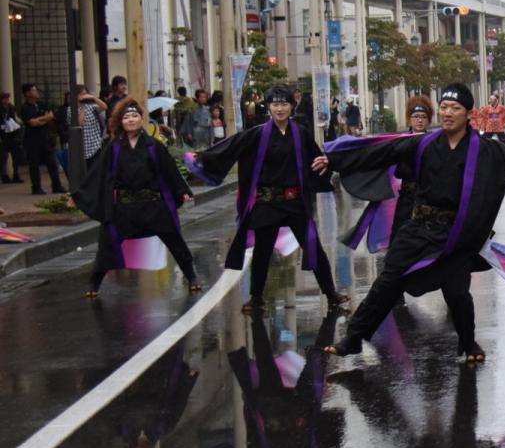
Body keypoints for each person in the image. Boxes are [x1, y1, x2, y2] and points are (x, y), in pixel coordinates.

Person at [316, 83, 505, 363]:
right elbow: (381, 151)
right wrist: (334, 160)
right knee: (387, 282)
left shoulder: (487, 150)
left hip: (457, 234)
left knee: (457, 292)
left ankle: (468, 343)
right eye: (444, 107)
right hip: (418, 228)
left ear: (468, 114)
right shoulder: (424, 143)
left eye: (455, 108)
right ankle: (353, 338)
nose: (447, 113)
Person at [187, 84, 348, 314]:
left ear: (292, 106)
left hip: (294, 202)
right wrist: (204, 157)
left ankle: (332, 295)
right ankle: (256, 298)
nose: (280, 109)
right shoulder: (257, 134)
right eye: (275, 104)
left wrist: (329, 162)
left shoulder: (301, 133)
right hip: (267, 202)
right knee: (262, 252)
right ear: (269, 107)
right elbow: (231, 147)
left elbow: (317, 159)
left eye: (284, 104)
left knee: (313, 246)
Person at [72, 97, 201, 297]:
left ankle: (191, 275)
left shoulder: (153, 146)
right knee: (107, 242)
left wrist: (181, 190)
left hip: (153, 205)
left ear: (141, 119)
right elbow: (98, 174)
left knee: (174, 238)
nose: (131, 120)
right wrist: (79, 195)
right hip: (124, 208)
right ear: (120, 121)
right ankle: (94, 284)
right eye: (126, 117)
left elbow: (169, 170)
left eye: (135, 116)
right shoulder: (113, 148)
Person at [339, 94, 434, 255]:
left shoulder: (435, 141)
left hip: (428, 199)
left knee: (426, 245)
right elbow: (374, 154)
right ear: (409, 118)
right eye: (416, 116)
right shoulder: (400, 141)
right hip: (406, 197)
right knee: (398, 242)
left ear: (428, 120)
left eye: (423, 117)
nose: (419, 120)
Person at [19, 84, 66, 195]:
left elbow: (51, 116)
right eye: (34, 90)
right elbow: (32, 123)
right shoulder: (25, 107)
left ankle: (56, 185)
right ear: (27, 93)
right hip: (32, 140)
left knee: (52, 163)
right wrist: (44, 119)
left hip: (45, 138)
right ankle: (36, 187)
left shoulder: (41, 105)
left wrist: (41, 119)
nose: (36, 92)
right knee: (34, 165)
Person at [75, 85, 109, 169]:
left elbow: (104, 107)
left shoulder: (91, 107)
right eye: (82, 94)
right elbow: (80, 123)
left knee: (96, 170)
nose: (84, 96)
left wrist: (93, 98)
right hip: (83, 146)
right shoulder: (71, 110)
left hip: (95, 144)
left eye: (86, 94)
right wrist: (82, 106)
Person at [0, 91, 24, 184]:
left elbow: (16, 118)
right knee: (3, 157)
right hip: (3, 135)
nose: (6, 100)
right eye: (4, 99)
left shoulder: (11, 108)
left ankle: (16, 174)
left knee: (15, 156)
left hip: (13, 134)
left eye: (7, 98)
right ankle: (4, 175)